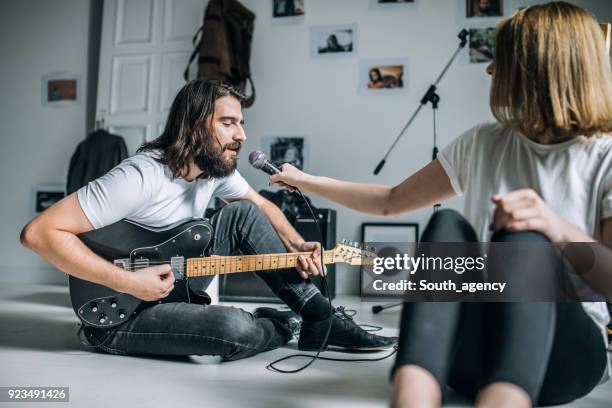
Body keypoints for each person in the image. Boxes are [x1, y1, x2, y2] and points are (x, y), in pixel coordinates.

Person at [270, 3, 612, 407]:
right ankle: (413, 390)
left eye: (500, 59)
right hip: (470, 355)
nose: (488, 70)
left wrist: (557, 229)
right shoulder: (484, 142)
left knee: (527, 241)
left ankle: (506, 399)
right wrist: (304, 180)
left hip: (563, 358)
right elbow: (391, 201)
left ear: (539, 66)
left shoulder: (604, 156)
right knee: (447, 224)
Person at [20, 80, 396, 361]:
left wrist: (296, 244)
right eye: (229, 123)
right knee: (234, 329)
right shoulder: (140, 176)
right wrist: (128, 281)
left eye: (241, 123)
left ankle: (320, 317)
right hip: (117, 316)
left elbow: (260, 207)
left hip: (175, 281)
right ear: (197, 125)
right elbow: (38, 233)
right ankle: (286, 325)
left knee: (244, 211)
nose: (242, 136)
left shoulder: (214, 170)